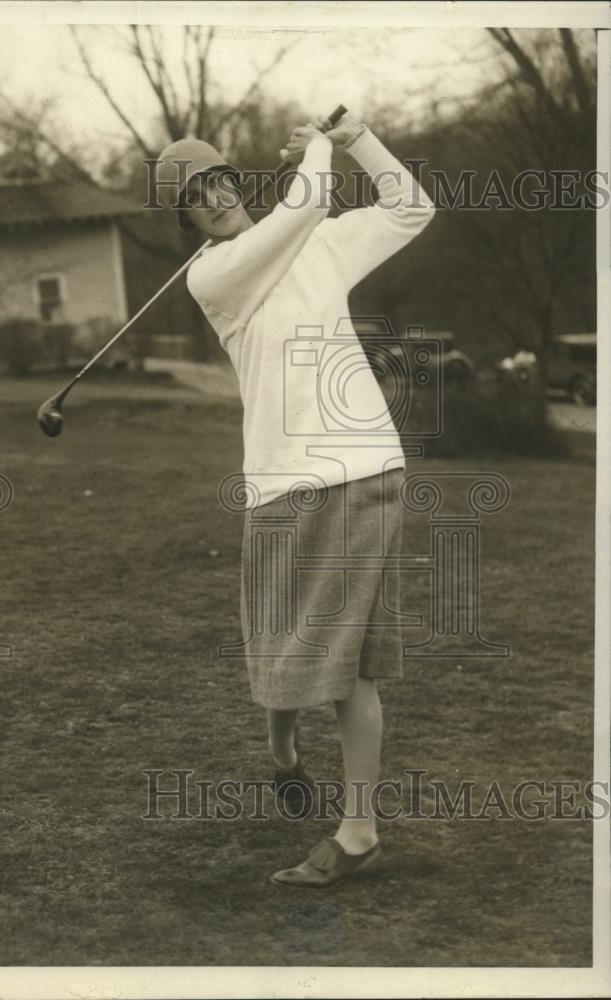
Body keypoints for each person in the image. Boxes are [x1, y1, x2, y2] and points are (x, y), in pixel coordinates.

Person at [155, 112, 434, 887]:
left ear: (235, 183)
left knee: (347, 670)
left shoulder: (313, 238)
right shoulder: (212, 275)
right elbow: (304, 204)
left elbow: (411, 207)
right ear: (186, 219)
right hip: (278, 481)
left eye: (217, 180)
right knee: (277, 639)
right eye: (193, 196)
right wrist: (317, 145)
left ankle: (357, 832)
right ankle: (281, 750)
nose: (212, 197)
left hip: (357, 466)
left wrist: (355, 139)